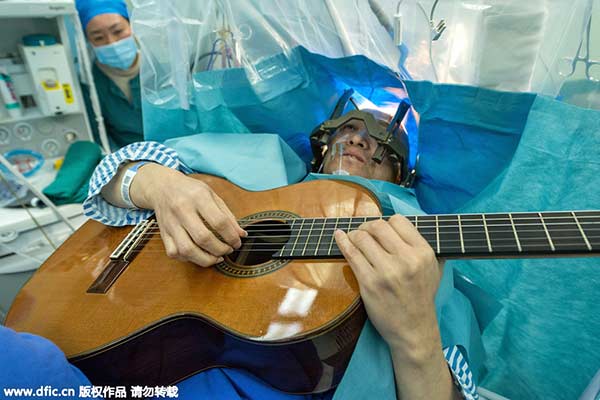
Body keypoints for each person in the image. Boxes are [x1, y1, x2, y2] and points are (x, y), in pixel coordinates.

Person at [81, 107, 480, 400]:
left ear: (401, 178)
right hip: (122, 358)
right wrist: (160, 186)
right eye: (349, 128)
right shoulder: (260, 167)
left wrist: (417, 337)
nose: (359, 139)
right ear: (320, 149)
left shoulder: (423, 255)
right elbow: (110, 173)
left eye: (382, 141)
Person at [76, 0, 144, 149]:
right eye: (98, 38)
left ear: (131, 25)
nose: (112, 42)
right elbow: (99, 138)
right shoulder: (90, 85)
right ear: (88, 41)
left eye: (118, 31)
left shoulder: (158, 69)